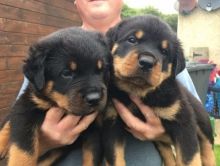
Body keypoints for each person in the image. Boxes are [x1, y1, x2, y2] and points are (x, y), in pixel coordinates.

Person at [17, 0, 200, 165]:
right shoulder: (49, 52)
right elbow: (20, 118)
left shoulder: (165, 55)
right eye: (132, 40)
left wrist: (163, 134)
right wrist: (45, 142)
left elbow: (194, 123)